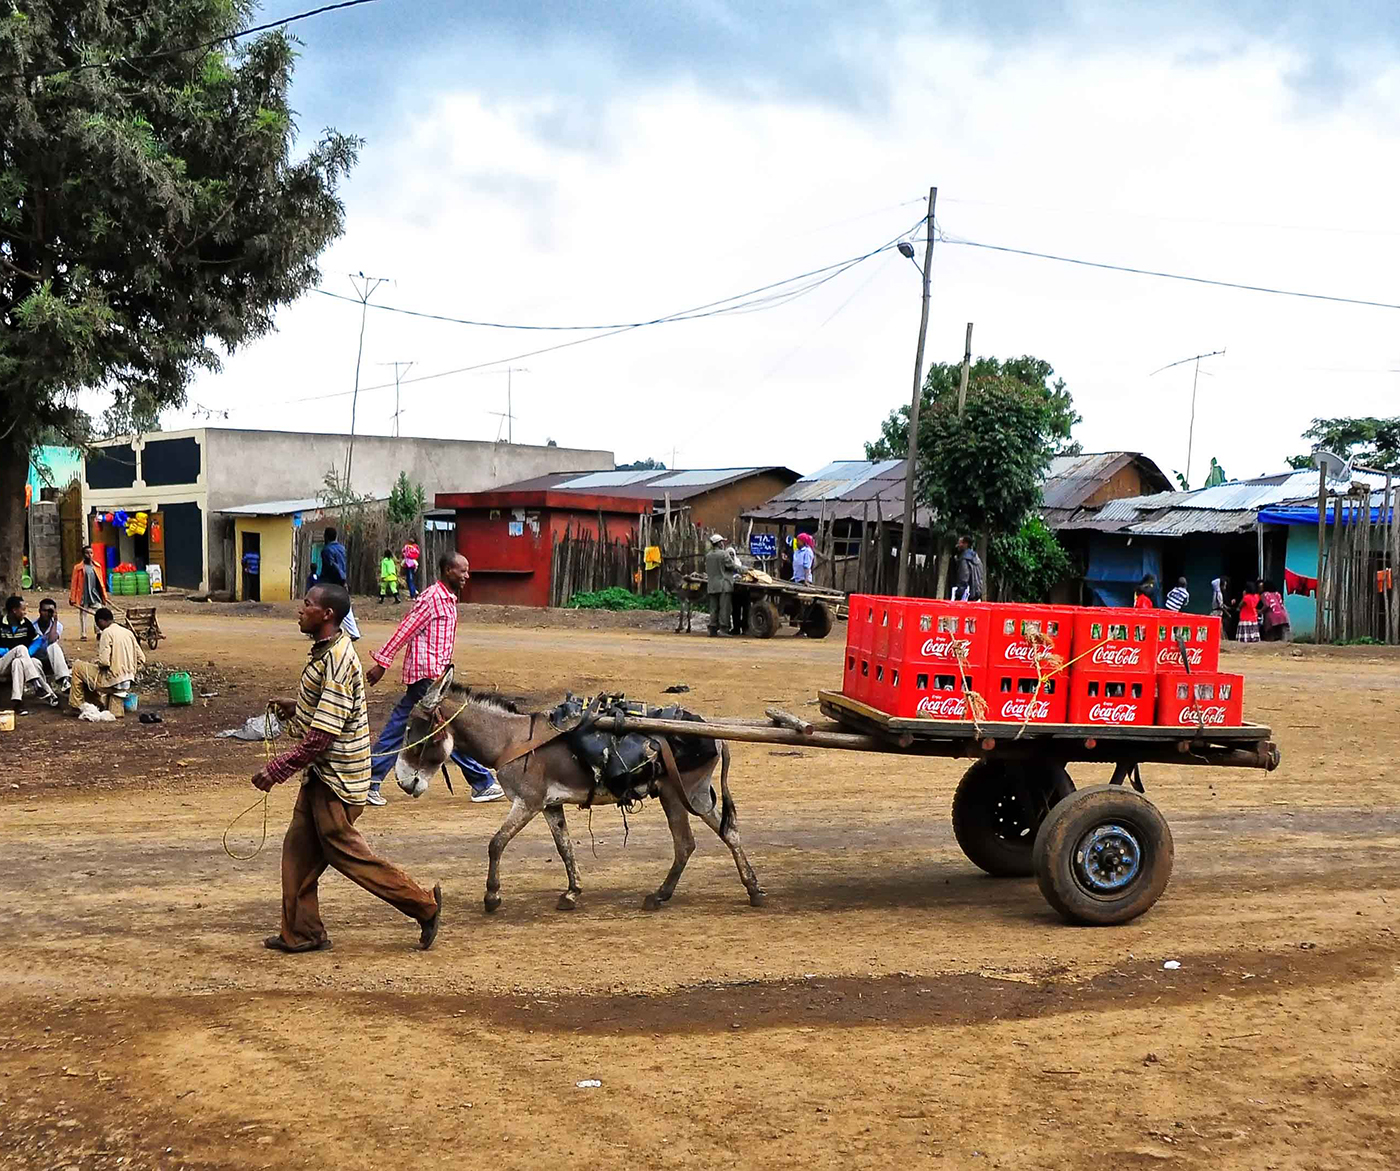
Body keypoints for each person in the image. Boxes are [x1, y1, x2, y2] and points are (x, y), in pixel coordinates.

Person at [254, 583, 443, 953]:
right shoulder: (328, 653)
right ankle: (303, 932)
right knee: (297, 854)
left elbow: (321, 738)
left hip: (337, 781)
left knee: (349, 857)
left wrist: (276, 770)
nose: (300, 609)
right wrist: (298, 706)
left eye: (307, 604)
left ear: (327, 615)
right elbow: (328, 711)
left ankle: (425, 905)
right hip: (321, 777)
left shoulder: (339, 660)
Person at [365, 552, 503, 806]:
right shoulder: (432, 598)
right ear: (448, 570)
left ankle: (370, 781)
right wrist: (382, 662)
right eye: (462, 571)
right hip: (424, 674)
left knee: (403, 725)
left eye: (467, 571)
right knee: (446, 725)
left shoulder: (448, 600)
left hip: (435, 675)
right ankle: (481, 782)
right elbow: (405, 629)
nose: (466, 576)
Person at [67, 606, 145, 713]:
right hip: (127, 681)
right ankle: (96, 703)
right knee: (88, 672)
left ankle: (76, 706)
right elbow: (141, 659)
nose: (98, 627)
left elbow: (104, 662)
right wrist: (130, 671)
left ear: (101, 621)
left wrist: (99, 665)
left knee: (77, 667)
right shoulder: (128, 633)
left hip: (112, 681)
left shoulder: (107, 633)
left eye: (98, 624)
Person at [0, 596, 61, 710]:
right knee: (20, 649)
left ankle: (17, 702)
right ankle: (37, 684)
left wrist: (27, 653)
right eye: (22, 610)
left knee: (18, 662)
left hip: (16, 662)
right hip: (2, 663)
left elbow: (36, 641)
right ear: (14, 610)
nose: (25, 613)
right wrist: (6, 651)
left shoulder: (26, 624)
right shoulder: (1, 624)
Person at [316, 527, 360, 640]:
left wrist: (339, 577)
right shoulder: (341, 548)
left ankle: (320, 630)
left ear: (325, 537)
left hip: (330, 581)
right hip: (340, 579)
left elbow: (331, 565)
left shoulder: (326, 550)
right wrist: (343, 578)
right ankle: (353, 632)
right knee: (343, 604)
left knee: (321, 604)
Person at [68, 544, 108, 640]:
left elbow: (101, 583)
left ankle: (99, 631)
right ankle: (83, 634)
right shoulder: (78, 568)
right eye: (87, 553)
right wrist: (72, 598)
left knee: (99, 611)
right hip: (83, 594)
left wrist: (104, 596)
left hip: (94, 594)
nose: (89, 555)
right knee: (83, 615)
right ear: (83, 555)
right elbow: (74, 584)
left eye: (91, 553)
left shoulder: (97, 567)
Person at [704, 534, 740, 637]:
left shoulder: (708, 555)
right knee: (724, 608)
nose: (723, 544)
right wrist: (745, 569)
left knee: (713, 608)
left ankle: (712, 629)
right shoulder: (723, 554)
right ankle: (724, 630)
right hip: (724, 585)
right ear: (719, 543)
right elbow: (732, 566)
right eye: (722, 542)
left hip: (712, 585)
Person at [33, 598, 72, 692]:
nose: (47, 613)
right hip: (37, 659)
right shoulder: (32, 626)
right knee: (32, 661)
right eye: (44, 610)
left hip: (51, 659)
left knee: (53, 646)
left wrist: (54, 620)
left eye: (50, 611)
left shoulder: (57, 625)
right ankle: (43, 689)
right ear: (39, 611)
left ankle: (64, 680)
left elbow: (52, 639)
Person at [952, 536, 984, 602]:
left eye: (959, 543)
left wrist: (958, 596)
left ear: (965, 544)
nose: (957, 546)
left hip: (968, 596)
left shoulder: (964, 559)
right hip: (977, 594)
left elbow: (963, 579)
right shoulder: (977, 558)